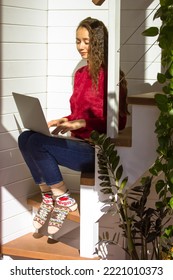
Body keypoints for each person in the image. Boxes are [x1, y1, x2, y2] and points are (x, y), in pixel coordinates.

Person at [18, 17, 108, 235]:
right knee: (25, 138)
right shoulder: (80, 75)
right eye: (78, 41)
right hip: (77, 142)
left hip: (94, 149)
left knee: (38, 142)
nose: (81, 47)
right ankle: (50, 196)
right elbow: (78, 114)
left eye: (86, 41)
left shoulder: (111, 76)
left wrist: (82, 122)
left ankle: (63, 198)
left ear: (98, 42)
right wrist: (64, 120)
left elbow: (117, 121)